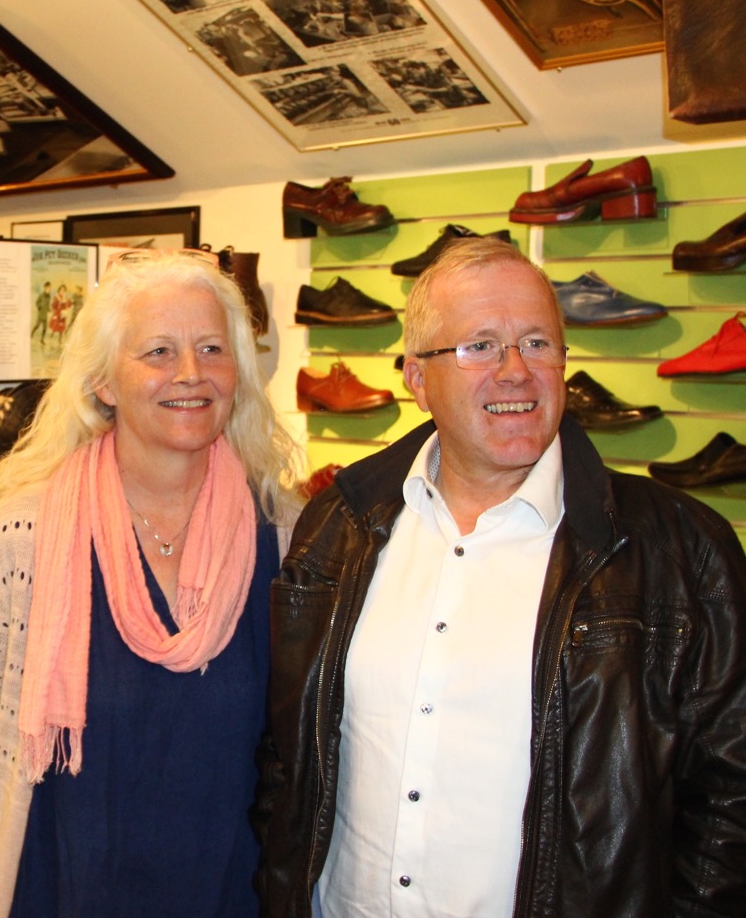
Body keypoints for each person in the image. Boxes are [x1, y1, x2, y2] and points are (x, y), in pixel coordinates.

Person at [254, 236, 746, 917]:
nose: (515, 370)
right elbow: (288, 757)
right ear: (417, 378)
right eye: (479, 345)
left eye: (537, 343)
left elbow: (729, 802)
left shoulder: (682, 551)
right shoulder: (337, 526)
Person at [0, 248, 305, 917]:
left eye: (212, 349)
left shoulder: (283, 540)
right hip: (61, 895)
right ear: (103, 382)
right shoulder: (20, 539)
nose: (190, 373)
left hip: (229, 898)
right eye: (158, 351)